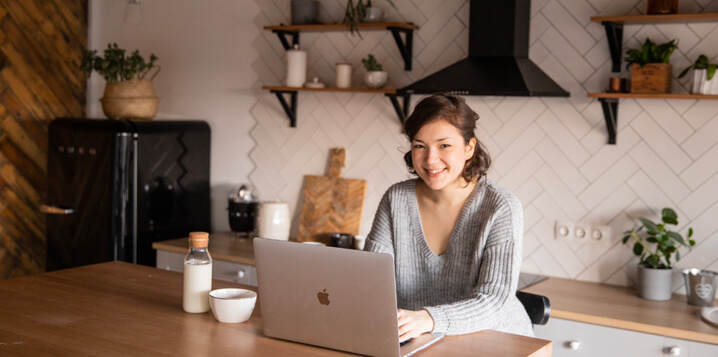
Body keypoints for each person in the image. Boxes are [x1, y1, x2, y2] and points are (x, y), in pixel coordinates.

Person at [364, 93, 533, 341]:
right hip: (420, 342)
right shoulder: (396, 199)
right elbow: (370, 281)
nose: (430, 159)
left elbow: (494, 302)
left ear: (469, 148)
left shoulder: (500, 206)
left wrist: (427, 319)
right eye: (420, 146)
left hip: (496, 341)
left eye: (444, 145)